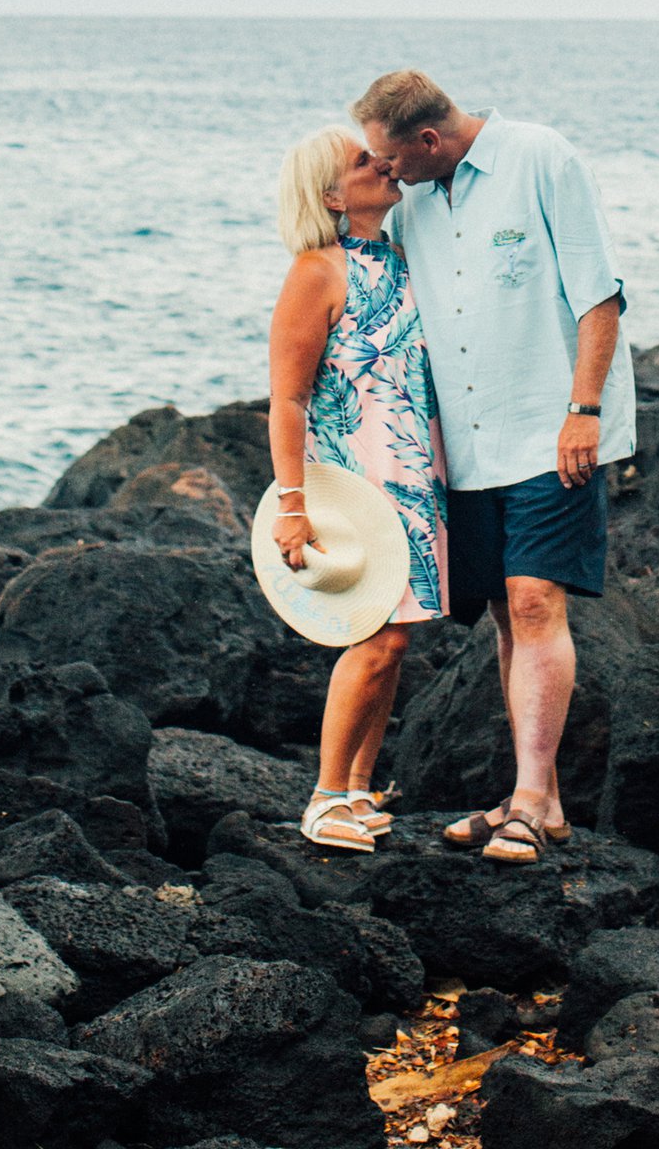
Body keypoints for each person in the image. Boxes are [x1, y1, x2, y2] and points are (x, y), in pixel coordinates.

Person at [353, 70, 635, 867]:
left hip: (551, 430)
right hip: (466, 444)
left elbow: (600, 296)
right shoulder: (413, 201)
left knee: (538, 599)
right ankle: (536, 799)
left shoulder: (541, 158)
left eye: (391, 158)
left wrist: (584, 411)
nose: (386, 172)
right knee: (509, 614)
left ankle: (532, 799)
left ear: (428, 139)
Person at [266, 124, 450, 851]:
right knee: (379, 636)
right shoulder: (317, 271)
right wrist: (292, 504)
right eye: (360, 160)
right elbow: (288, 399)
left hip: (413, 475)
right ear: (333, 196)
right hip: (356, 481)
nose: (381, 162)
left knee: (395, 638)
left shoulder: (403, 260)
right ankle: (323, 798)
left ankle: (358, 789)